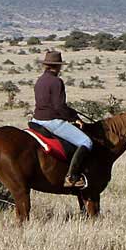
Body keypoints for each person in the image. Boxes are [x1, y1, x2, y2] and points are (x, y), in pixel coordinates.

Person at [32, 50, 93, 188]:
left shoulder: (40, 80)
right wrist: (74, 117)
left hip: (36, 120)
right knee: (86, 142)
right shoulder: (56, 81)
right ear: (58, 66)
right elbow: (59, 107)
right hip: (51, 121)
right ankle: (72, 177)